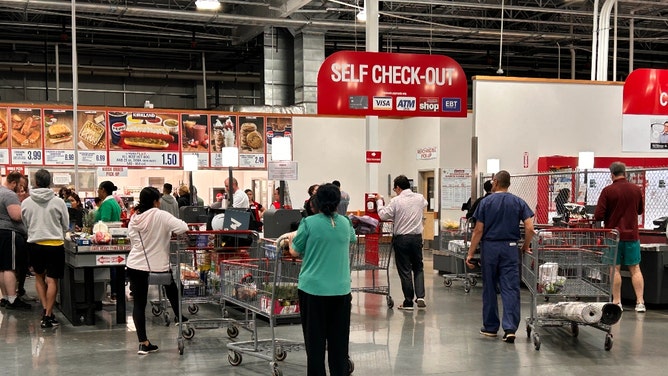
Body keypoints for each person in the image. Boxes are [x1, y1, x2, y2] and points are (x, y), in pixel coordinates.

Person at [288, 183, 356, 376]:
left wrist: (289, 241)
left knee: (315, 341)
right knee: (339, 340)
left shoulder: (308, 223)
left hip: (313, 290)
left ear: (316, 202)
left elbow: (295, 251)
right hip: (342, 290)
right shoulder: (345, 222)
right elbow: (351, 239)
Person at [465, 170, 534, 343]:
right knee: (510, 288)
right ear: (508, 183)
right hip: (510, 248)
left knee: (489, 287)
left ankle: (490, 327)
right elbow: (530, 227)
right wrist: (525, 246)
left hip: (490, 247)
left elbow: (478, 230)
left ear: (495, 182)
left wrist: (471, 253)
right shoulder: (518, 202)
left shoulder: (486, 202)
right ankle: (510, 328)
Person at [125, 186, 189, 355]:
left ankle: (143, 343)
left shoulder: (135, 218)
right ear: (155, 201)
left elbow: (132, 238)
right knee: (172, 290)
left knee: (139, 303)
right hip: (158, 265)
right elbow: (182, 227)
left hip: (135, 264)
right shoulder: (160, 215)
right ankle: (179, 319)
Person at [594, 161, 646, 312]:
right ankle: (640, 302)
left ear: (612, 174)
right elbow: (640, 211)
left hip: (613, 236)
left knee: (614, 269)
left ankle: (617, 302)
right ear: (625, 173)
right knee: (635, 268)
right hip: (632, 236)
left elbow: (598, 215)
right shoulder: (636, 189)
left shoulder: (608, 191)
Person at [21, 169, 70, 328]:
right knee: (52, 280)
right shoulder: (58, 202)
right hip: (55, 245)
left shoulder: (26, 202)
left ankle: (44, 310)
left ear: (35, 182)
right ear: (50, 182)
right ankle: (48, 315)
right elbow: (65, 224)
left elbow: (25, 223)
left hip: (35, 244)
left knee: (39, 278)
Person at [376, 175, 428, 311]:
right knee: (418, 267)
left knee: (405, 270)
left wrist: (379, 202)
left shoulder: (396, 201)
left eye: (395, 189)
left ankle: (408, 302)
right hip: (417, 238)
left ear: (398, 188)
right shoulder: (419, 198)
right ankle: (421, 296)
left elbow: (383, 215)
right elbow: (425, 204)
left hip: (402, 239)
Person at [0, 171, 31, 310]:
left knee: (2, 267)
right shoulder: (9, 194)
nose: (21, 189)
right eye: (20, 185)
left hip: (2, 233)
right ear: (13, 183)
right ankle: (13, 299)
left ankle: (6, 297)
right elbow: (16, 216)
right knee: (9, 267)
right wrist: (23, 204)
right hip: (9, 233)